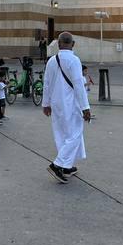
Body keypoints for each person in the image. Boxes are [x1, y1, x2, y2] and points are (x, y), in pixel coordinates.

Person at [43, 31, 91, 183]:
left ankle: (66, 166)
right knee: (75, 134)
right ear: (73, 44)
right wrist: (85, 107)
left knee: (61, 134)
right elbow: (78, 85)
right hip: (71, 103)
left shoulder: (51, 61)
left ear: (58, 44)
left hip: (56, 103)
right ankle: (58, 164)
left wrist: (46, 103)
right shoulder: (74, 60)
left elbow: (46, 83)